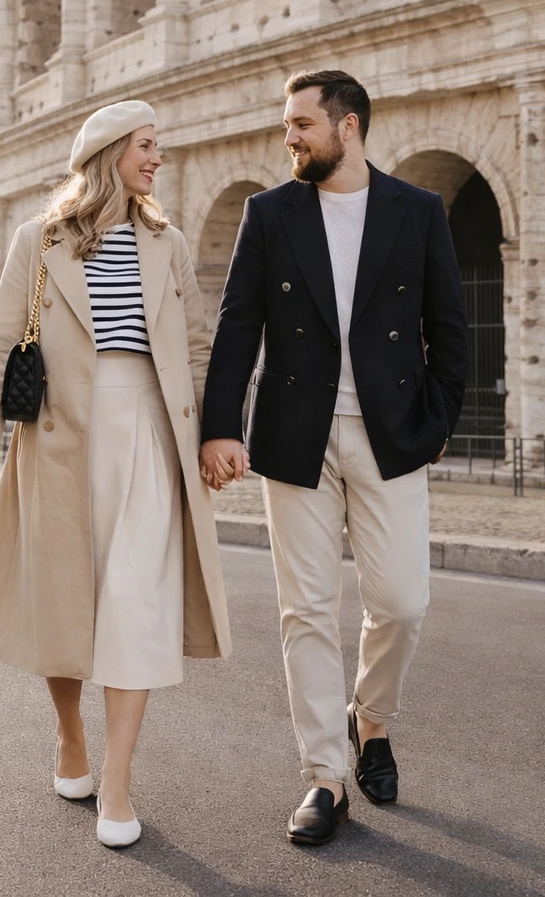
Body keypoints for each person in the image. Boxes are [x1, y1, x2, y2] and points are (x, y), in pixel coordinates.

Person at [200, 69, 467, 847]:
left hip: (391, 435)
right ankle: (324, 776)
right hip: (295, 434)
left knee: (402, 603)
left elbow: (451, 328)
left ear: (347, 127)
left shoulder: (416, 211)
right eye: (288, 125)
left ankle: (370, 719)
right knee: (307, 610)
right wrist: (222, 426)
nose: (289, 138)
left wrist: (439, 417)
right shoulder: (270, 213)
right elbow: (237, 324)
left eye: (301, 126)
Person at [0, 100, 231, 850]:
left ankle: (117, 777)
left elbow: (200, 347)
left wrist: (215, 435)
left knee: (137, 601)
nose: (158, 158)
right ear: (111, 152)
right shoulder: (37, 240)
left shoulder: (167, 242)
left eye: (160, 145)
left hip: (149, 428)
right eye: (148, 145)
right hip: (56, 436)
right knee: (63, 599)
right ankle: (69, 736)